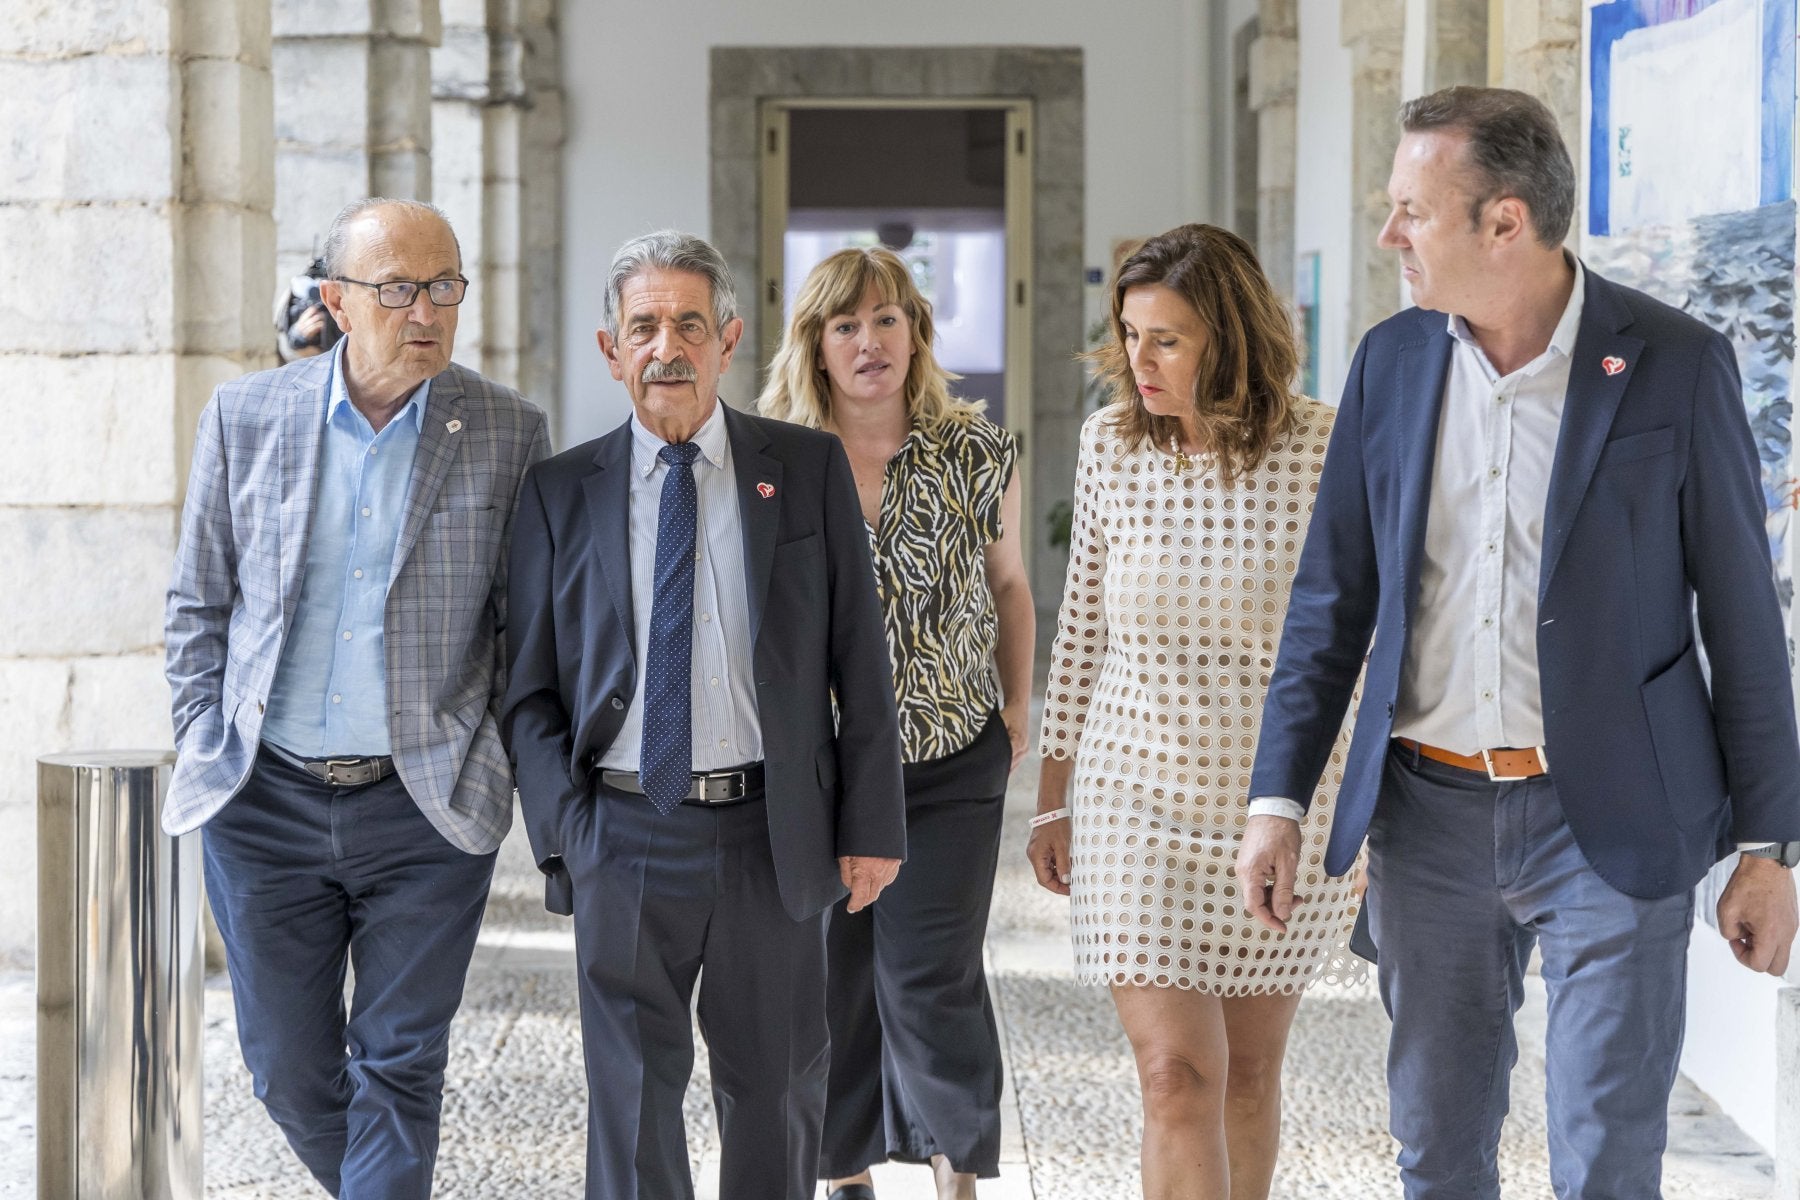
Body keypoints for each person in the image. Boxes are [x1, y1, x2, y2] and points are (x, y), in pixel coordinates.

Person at [1237, 85, 1800, 1199]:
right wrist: (1278, 800)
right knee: (1437, 1153)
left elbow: (1743, 616)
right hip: (1426, 820)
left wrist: (1770, 846)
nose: (1390, 232)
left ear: (1504, 222)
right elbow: (1330, 602)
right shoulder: (1391, 364)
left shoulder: (1676, 365)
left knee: (1605, 1158)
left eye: (1412, 209)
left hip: (1615, 824)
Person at [500, 230, 908, 1200]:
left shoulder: (803, 468)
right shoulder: (561, 494)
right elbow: (529, 689)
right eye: (643, 326)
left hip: (773, 833)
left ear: (728, 340)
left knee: (775, 1094)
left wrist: (870, 826)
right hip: (626, 828)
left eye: (689, 323)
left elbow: (862, 656)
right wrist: (571, 835)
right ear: (612, 349)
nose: (666, 346)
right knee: (632, 1103)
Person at [163, 197, 550, 1199]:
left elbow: (525, 630)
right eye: (395, 290)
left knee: (399, 1066)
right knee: (286, 1070)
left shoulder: (508, 431)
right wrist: (205, 732)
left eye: (443, 287)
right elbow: (198, 600)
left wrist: (490, 766)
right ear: (334, 300)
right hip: (265, 801)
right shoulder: (246, 417)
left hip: (423, 807)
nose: (425, 311)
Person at [1029, 223, 1362, 1200]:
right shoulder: (1109, 447)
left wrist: (1368, 816)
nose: (1140, 360)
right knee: (1178, 1074)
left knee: (1250, 1076)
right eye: (1131, 335)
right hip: (1136, 788)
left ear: (1229, 336)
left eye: (1166, 338)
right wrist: (1054, 796)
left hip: (1284, 799)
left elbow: (1365, 631)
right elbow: (1082, 620)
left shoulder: (1322, 444)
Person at [757, 247, 1035, 1200]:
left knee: (932, 975)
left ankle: (959, 1175)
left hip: (952, 761)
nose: (868, 341)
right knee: (830, 978)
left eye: (886, 319)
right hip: (822, 773)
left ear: (916, 331)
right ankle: (843, 1175)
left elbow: (1009, 587)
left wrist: (1017, 703)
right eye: (845, 325)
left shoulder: (976, 450)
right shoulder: (775, 461)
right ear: (817, 345)